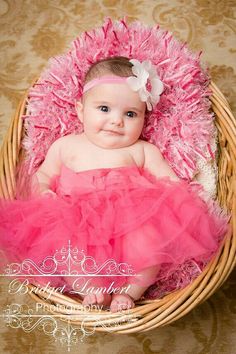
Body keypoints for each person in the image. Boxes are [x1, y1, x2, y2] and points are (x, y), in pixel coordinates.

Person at [0, 57, 229, 313]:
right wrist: (44, 192)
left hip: (132, 218)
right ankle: (90, 288)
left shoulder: (142, 150)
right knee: (66, 248)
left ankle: (129, 292)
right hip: (75, 219)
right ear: (80, 110)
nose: (116, 121)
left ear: (144, 118)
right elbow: (41, 176)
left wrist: (185, 210)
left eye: (130, 114)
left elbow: (172, 183)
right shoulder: (66, 146)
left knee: (151, 242)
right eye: (104, 109)